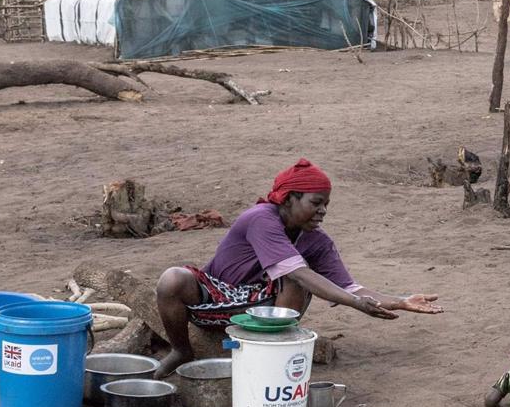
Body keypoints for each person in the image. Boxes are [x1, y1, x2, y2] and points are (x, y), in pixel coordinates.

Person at [154, 158, 444, 376]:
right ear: (290, 198)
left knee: (297, 280)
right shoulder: (262, 218)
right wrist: (357, 304)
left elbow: (349, 286)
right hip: (218, 299)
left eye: (326, 204)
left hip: (263, 311)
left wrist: (400, 302)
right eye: (316, 202)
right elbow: (305, 275)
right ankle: (181, 350)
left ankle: (271, 357)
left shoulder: (316, 241)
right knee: (172, 279)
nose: (323, 211)